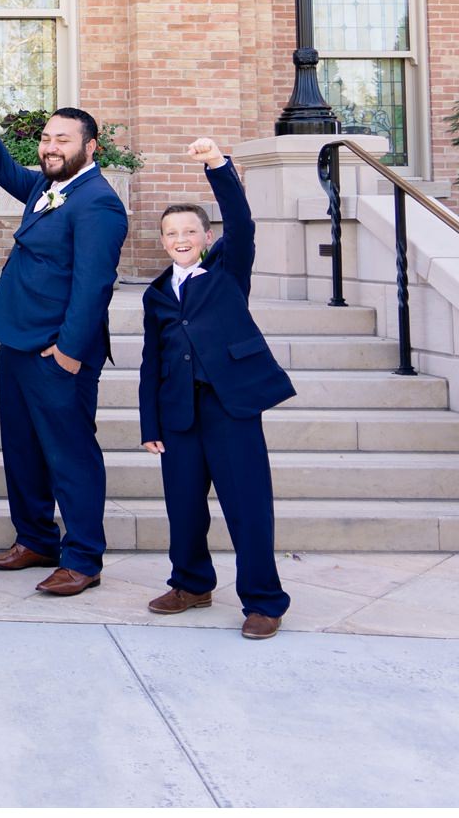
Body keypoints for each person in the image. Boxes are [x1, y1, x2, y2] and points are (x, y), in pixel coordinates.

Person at [0, 86, 128, 597]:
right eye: (47, 138)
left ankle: (82, 559)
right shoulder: (49, 186)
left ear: (91, 145)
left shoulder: (99, 203)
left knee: (70, 454)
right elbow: (6, 172)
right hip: (17, 339)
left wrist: (69, 352)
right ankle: (35, 539)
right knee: (23, 448)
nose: (51, 146)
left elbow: (93, 285)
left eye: (63, 139)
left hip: (58, 351)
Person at [139, 137, 297, 640]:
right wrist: (151, 423)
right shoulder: (156, 293)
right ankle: (190, 584)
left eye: (190, 230)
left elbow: (243, 223)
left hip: (230, 407)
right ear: (162, 240)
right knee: (183, 507)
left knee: (247, 506)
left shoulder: (227, 270)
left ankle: (264, 601)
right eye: (171, 232)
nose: (181, 238)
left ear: (206, 237)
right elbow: (150, 362)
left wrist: (217, 166)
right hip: (179, 414)